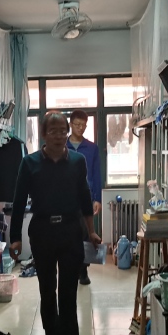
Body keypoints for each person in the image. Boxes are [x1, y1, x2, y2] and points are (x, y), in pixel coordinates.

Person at [9, 111, 101, 335]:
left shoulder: (78, 162)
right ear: (43, 134)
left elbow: (85, 198)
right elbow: (18, 201)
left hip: (71, 232)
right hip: (42, 233)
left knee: (68, 294)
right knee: (47, 290)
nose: (60, 136)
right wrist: (15, 237)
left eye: (63, 131)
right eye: (54, 131)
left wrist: (91, 231)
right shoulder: (29, 163)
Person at [66, 110, 101, 285]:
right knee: (68, 234)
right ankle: (70, 269)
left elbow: (97, 174)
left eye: (83, 125)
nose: (80, 128)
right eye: (77, 124)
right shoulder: (62, 146)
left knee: (86, 233)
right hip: (66, 198)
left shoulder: (92, 148)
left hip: (86, 197)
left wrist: (97, 199)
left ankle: (83, 270)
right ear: (70, 124)